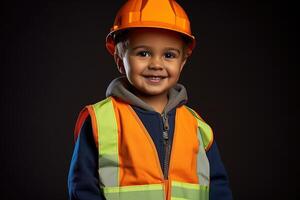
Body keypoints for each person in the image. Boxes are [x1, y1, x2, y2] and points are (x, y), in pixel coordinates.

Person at [68, 0, 233, 199]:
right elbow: (82, 188)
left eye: (169, 55)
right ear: (120, 59)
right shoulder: (100, 121)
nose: (156, 64)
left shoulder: (198, 128)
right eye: (143, 53)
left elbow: (218, 188)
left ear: (182, 62)